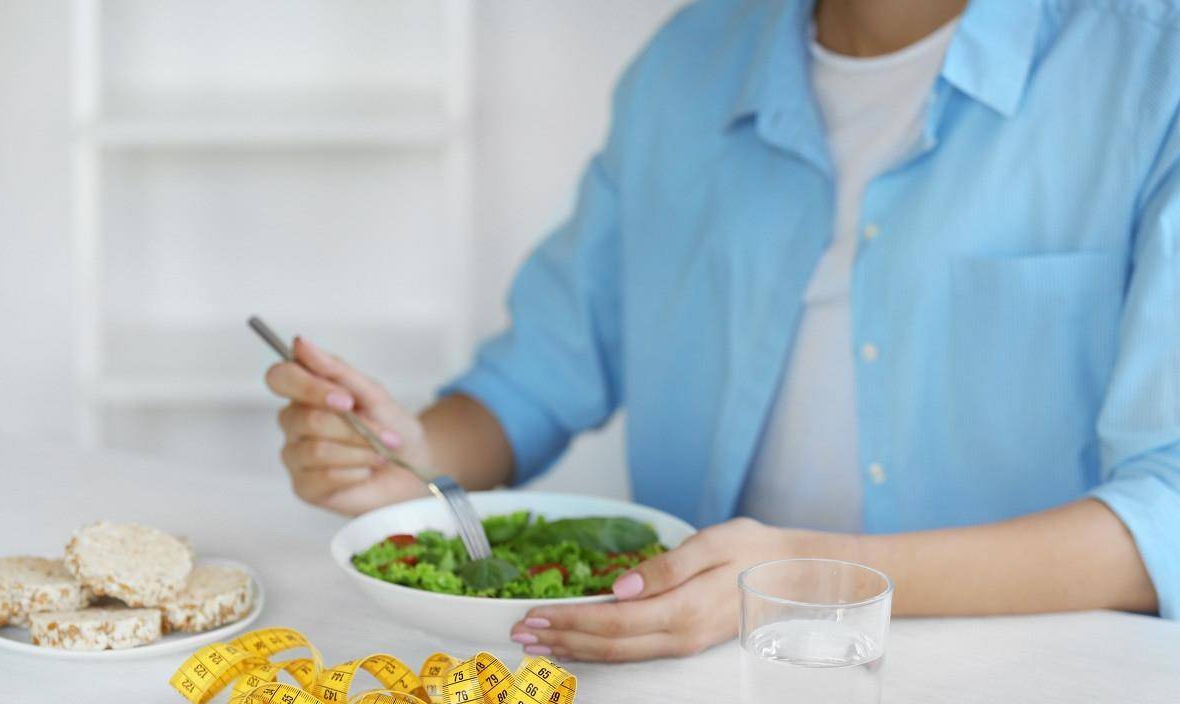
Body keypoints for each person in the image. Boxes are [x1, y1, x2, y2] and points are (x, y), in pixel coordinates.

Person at [265, 0, 1179, 662]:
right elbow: (536, 380)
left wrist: (808, 576)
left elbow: (1167, 510)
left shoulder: (1151, 66)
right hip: (697, 675)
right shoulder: (686, 64)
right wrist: (413, 457)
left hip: (1037, 684)